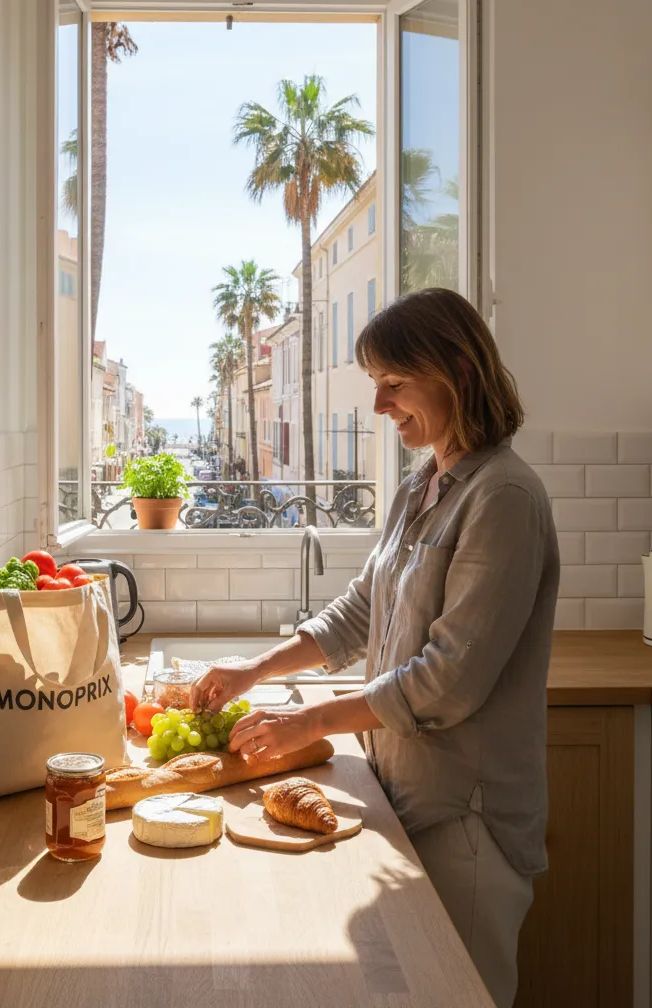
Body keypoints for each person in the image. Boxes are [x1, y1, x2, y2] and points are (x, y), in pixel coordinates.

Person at [190, 288, 560, 1008]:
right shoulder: (426, 483)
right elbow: (363, 609)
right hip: (406, 796)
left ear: (455, 368)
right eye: (375, 385)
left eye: (394, 383)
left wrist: (311, 723)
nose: (380, 405)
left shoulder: (504, 497)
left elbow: (448, 680)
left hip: (466, 819)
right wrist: (255, 669)